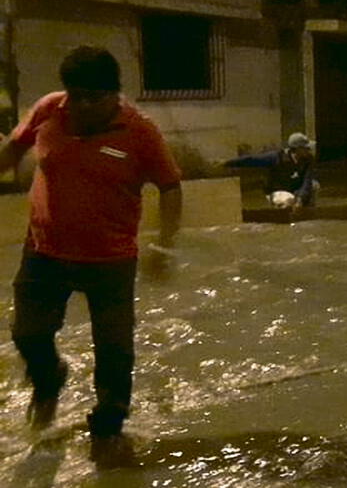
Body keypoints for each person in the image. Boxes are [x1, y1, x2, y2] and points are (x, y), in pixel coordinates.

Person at [0, 46, 182, 466]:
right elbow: (14, 146)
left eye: (94, 97)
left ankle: (108, 428)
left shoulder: (140, 132)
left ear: (115, 95)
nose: (82, 106)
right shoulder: (50, 110)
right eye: (76, 95)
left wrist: (164, 244)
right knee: (27, 334)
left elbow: (170, 186)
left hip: (110, 260)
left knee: (114, 350)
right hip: (44, 251)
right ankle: (49, 379)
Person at [224, 132, 319, 209]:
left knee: (314, 185)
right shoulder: (276, 157)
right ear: (297, 149)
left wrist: (300, 198)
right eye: (306, 148)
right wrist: (227, 163)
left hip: (295, 189)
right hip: (277, 190)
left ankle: (305, 211)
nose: (308, 150)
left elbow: (307, 181)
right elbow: (251, 160)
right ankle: (283, 217)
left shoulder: (308, 160)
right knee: (288, 200)